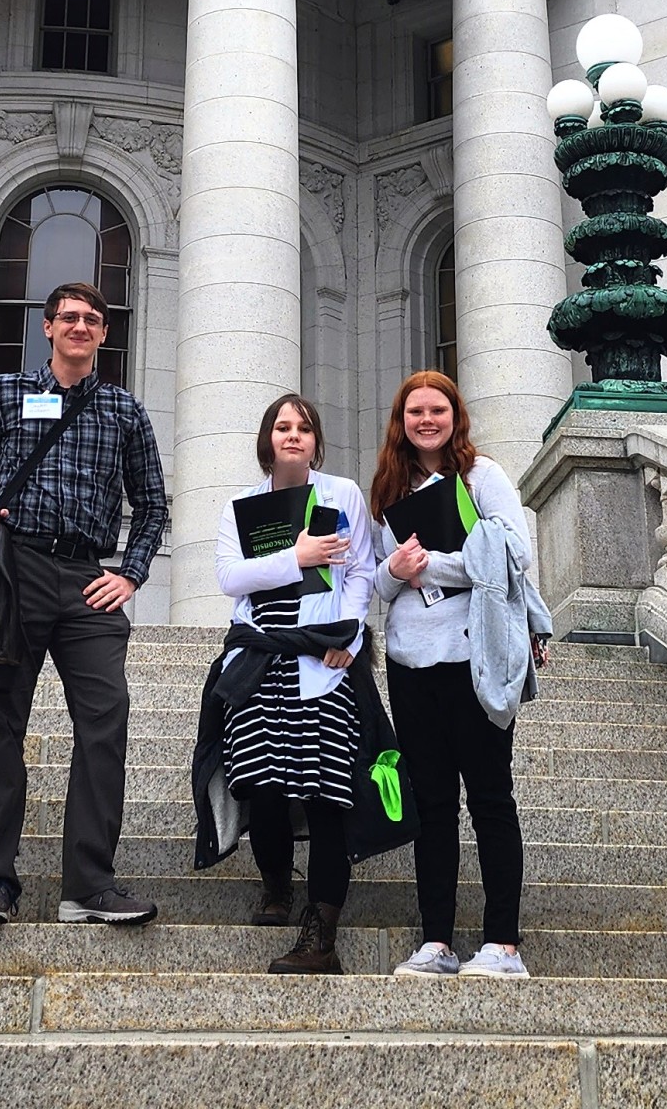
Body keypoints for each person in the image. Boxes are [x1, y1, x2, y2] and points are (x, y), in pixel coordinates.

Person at [0, 277, 168, 927]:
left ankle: (89, 886)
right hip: (13, 569)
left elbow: (153, 504)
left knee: (107, 718)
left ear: (104, 333)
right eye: (68, 317)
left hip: (85, 575)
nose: (79, 327)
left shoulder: (124, 411)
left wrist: (128, 574)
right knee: (2, 726)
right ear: (47, 327)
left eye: (91, 320)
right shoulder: (6, 392)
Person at [370, 368, 537, 977]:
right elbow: (378, 583)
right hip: (411, 661)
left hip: (475, 658)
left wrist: (429, 566)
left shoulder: (482, 476)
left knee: (491, 797)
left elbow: (515, 552)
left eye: (437, 410)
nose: (426, 421)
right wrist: (394, 570)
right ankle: (436, 940)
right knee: (432, 804)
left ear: (455, 415)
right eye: (415, 412)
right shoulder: (387, 486)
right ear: (401, 422)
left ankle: (503, 944)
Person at [213, 393, 376, 973]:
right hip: (260, 659)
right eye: (283, 426)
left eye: (304, 428)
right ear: (267, 439)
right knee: (263, 783)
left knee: (327, 790)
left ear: (316, 441)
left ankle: (321, 928)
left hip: (323, 657)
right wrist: (296, 553)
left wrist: (350, 639)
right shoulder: (241, 506)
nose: (294, 435)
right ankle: (276, 886)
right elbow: (230, 577)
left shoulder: (343, 495)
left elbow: (359, 572)